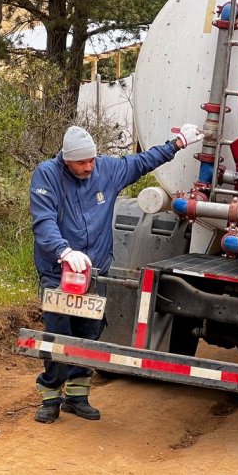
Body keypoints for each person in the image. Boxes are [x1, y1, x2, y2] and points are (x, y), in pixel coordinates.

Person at [29, 123, 203, 424]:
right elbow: (43, 221)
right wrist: (64, 251)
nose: (89, 167)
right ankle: (50, 397)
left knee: (90, 331)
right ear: (66, 160)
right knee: (59, 332)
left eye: (91, 160)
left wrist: (176, 144)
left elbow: (141, 161)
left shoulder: (105, 170)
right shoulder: (47, 175)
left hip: (96, 271)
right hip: (59, 269)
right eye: (81, 163)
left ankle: (77, 396)